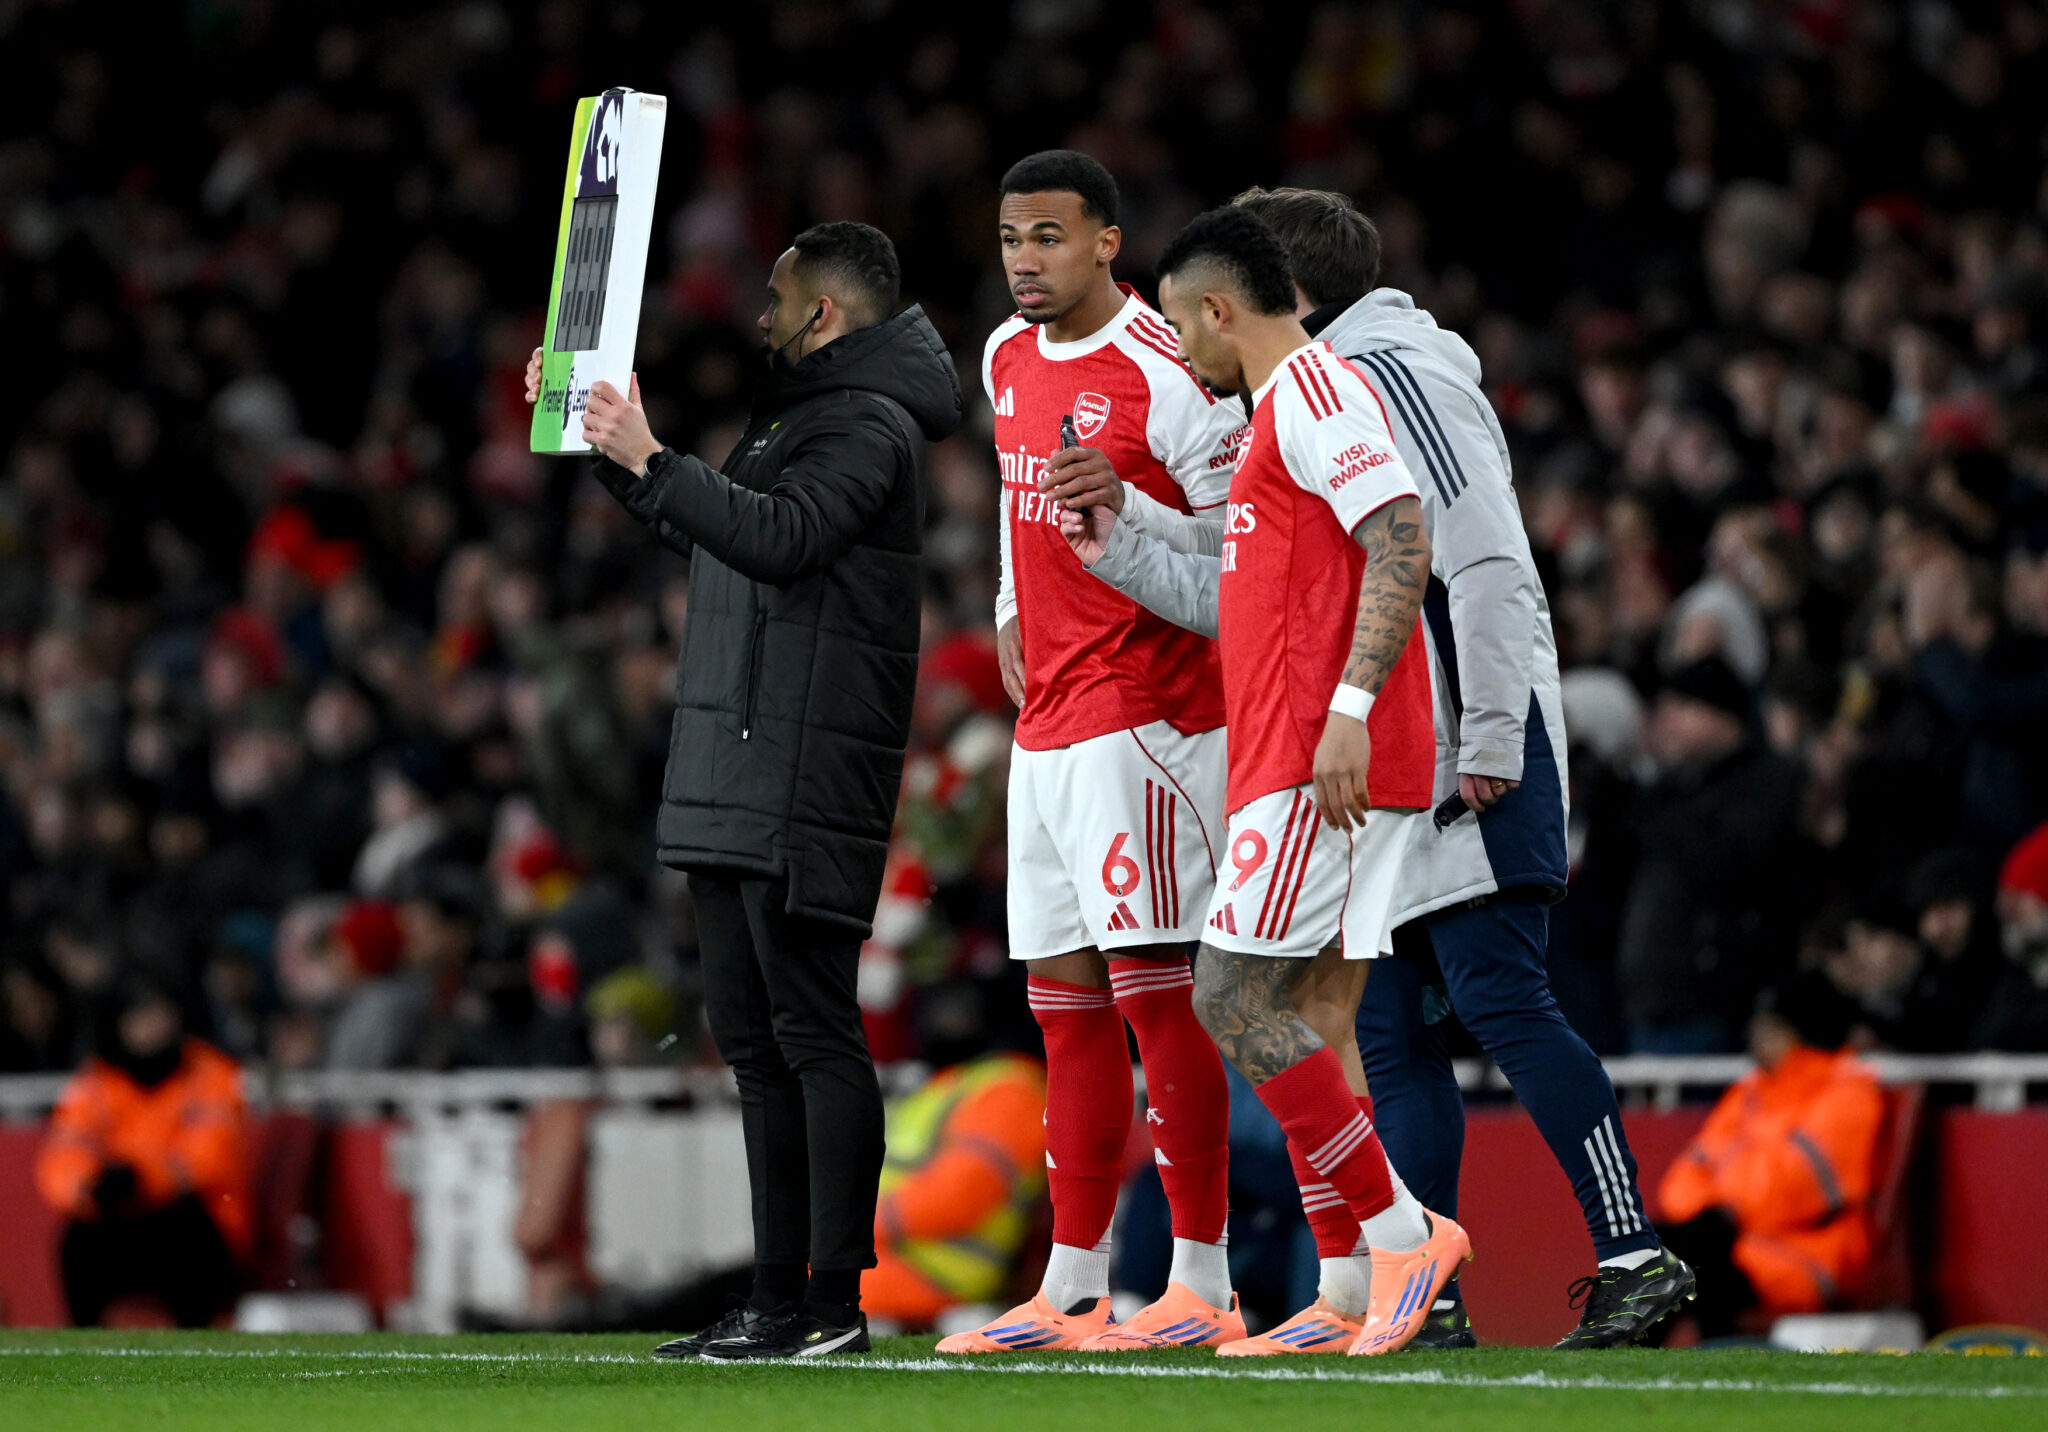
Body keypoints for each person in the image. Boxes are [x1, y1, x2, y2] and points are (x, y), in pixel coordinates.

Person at [1219, 185, 1690, 1348]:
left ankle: (1634, 1253)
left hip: (1469, 742)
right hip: (1396, 753)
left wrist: (1482, 736)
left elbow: (1479, 554)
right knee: (1390, 1033)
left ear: (1291, 287)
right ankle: (1426, 1297)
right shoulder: (1326, 391)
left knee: (1497, 997)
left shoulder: (1400, 375)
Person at [526, 220, 962, 1360]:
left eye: (775, 297)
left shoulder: (871, 424)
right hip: (736, 755)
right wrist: (609, 450)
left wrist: (653, 457)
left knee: (812, 1031)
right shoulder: (797, 418)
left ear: (824, 311)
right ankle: (775, 1298)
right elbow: (723, 539)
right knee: (753, 1039)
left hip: (804, 765)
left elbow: (783, 538)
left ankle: (830, 1303)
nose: (757, 315)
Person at [1061, 204, 1465, 1357]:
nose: (1176, 351)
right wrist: (1120, 543)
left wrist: (1344, 712)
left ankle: (1402, 1235)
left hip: (1320, 757)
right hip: (1299, 747)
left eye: (1180, 324)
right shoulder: (1275, 422)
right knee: (1318, 1015)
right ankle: (1342, 1294)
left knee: (1229, 997)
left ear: (1216, 309)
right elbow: (1238, 608)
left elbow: (1400, 529)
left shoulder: (1319, 393)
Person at [935, 152, 1245, 1355]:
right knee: (1061, 1007)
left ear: (1108, 243)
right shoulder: (1005, 358)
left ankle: (1202, 1282)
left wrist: (1130, 506)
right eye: (1011, 237)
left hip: (1152, 715)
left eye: (1049, 237)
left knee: (1153, 995)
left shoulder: (1170, 370)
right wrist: (1013, 608)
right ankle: (1071, 1288)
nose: (1024, 259)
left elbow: (1238, 542)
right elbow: (1025, 513)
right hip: (1049, 717)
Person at [1656, 978, 1885, 1338]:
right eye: (1757, 1029)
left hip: (1806, 1253)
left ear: (1802, 1033)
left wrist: (1722, 1215)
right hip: (1735, 1243)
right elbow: (1683, 1177)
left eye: (1771, 1030)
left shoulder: (1846, 1091)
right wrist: (1711, 1218)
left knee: (1681, 1261)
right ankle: (1625, 1364)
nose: (1756, 1041)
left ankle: (1620, 1368)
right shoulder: (1752, 1091)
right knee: (1659, 1247)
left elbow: (1794, 1188)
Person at [35, 975, 251, 1327]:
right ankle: (86, 1351)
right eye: (140, 1016)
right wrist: (91, 1188)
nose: (152, 1026)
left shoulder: (210, 1074)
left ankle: (195, 1351)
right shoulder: (97, 1083)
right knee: (78, 1241)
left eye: (160, 1013)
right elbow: (62, 1156)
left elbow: (210, 1154)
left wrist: (143, 1179)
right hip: (117, 1216)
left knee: (188, 1233)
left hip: (197, 1217)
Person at [1616, 658, 1807, 1053]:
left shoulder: (1765, 781)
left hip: (1711, 1005)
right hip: (1646, 1004)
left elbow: (1730, 864)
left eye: (1681, 708)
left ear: (1722, 717)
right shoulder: (1670, 789)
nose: (1665, 722)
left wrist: (1662, 803)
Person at [861, 1052, 1047, 1330]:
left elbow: (957, 1198)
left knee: (790, 1290)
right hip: (878, 1255)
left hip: (932, 1274)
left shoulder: (1011, 1088)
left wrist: (844, 1225)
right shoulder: (944, 1085)